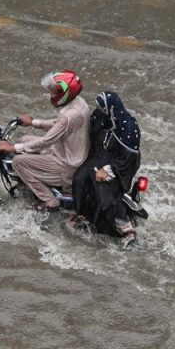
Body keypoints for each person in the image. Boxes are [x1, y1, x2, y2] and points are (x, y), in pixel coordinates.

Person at [0, 70, 91, 211]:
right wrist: (33, 122)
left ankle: (50, 201)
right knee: (25, 139)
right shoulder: (79, 103)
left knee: (18, 162)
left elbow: (46, 141)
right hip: (68, 152)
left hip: (66, 165)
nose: (52, 95)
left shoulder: (69, 117)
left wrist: (13, 148)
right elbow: (58, 125)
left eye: (54, 92)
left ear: (65, 93)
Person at [69, 91, 141, 245]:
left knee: (103, 188)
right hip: (98, 156)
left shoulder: (128, 127)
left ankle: (124, 227)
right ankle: (83, 214)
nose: (100, 111)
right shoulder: (100, 117)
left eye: (103, 108)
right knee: (80, 179)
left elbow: (129, 158)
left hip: (118, 164)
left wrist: (109, 170)